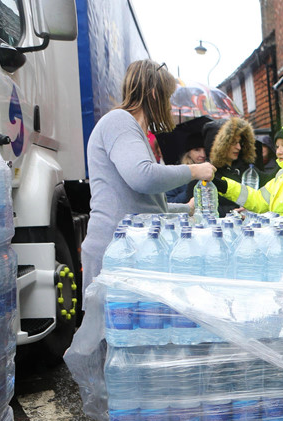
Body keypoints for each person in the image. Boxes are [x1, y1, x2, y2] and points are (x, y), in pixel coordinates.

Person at [81, 59, 214, 298]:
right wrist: (195, 170)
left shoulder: (132, 130)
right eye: (167, 97)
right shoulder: (120, 121)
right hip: (114, 254)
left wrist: (186, 209)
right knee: (110, 323)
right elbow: (143, 178)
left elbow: (140, 205)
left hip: (127, 250)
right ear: (154, 94)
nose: (169, 106)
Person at [214, 116, 283, 215]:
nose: (278, 152)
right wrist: (225, 186)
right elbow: (259, 200)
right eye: (277, 146)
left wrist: (263, 220)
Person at [203, 117, 256, 216]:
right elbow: (201, 208)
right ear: (219, 145)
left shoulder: (247, 170)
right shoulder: (205, 174)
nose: (238, 147)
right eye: (233, 142)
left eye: (240, 142)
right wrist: (233, 211)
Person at [165, 133, 207, 203]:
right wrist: (189, 191)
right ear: (189, 152)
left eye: (205, 150)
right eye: (197, 150)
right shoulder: (177, 173)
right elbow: (169, 202)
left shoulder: (211, 170)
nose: (203, 155)